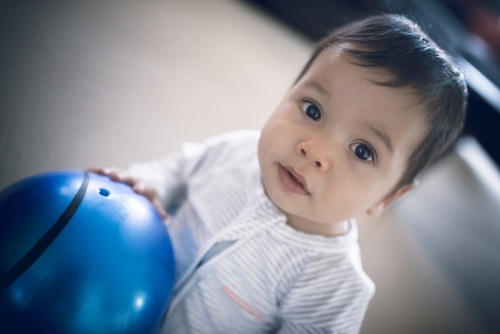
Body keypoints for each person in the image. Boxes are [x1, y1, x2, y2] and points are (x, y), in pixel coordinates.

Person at [91, 14, 467, 333]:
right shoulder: (237, 151)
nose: (313, 149)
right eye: (313, 110)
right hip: (116, 300)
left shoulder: (332, 288)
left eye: (363, 151)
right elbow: (179, 167)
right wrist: (148, 184)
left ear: (388, 197)